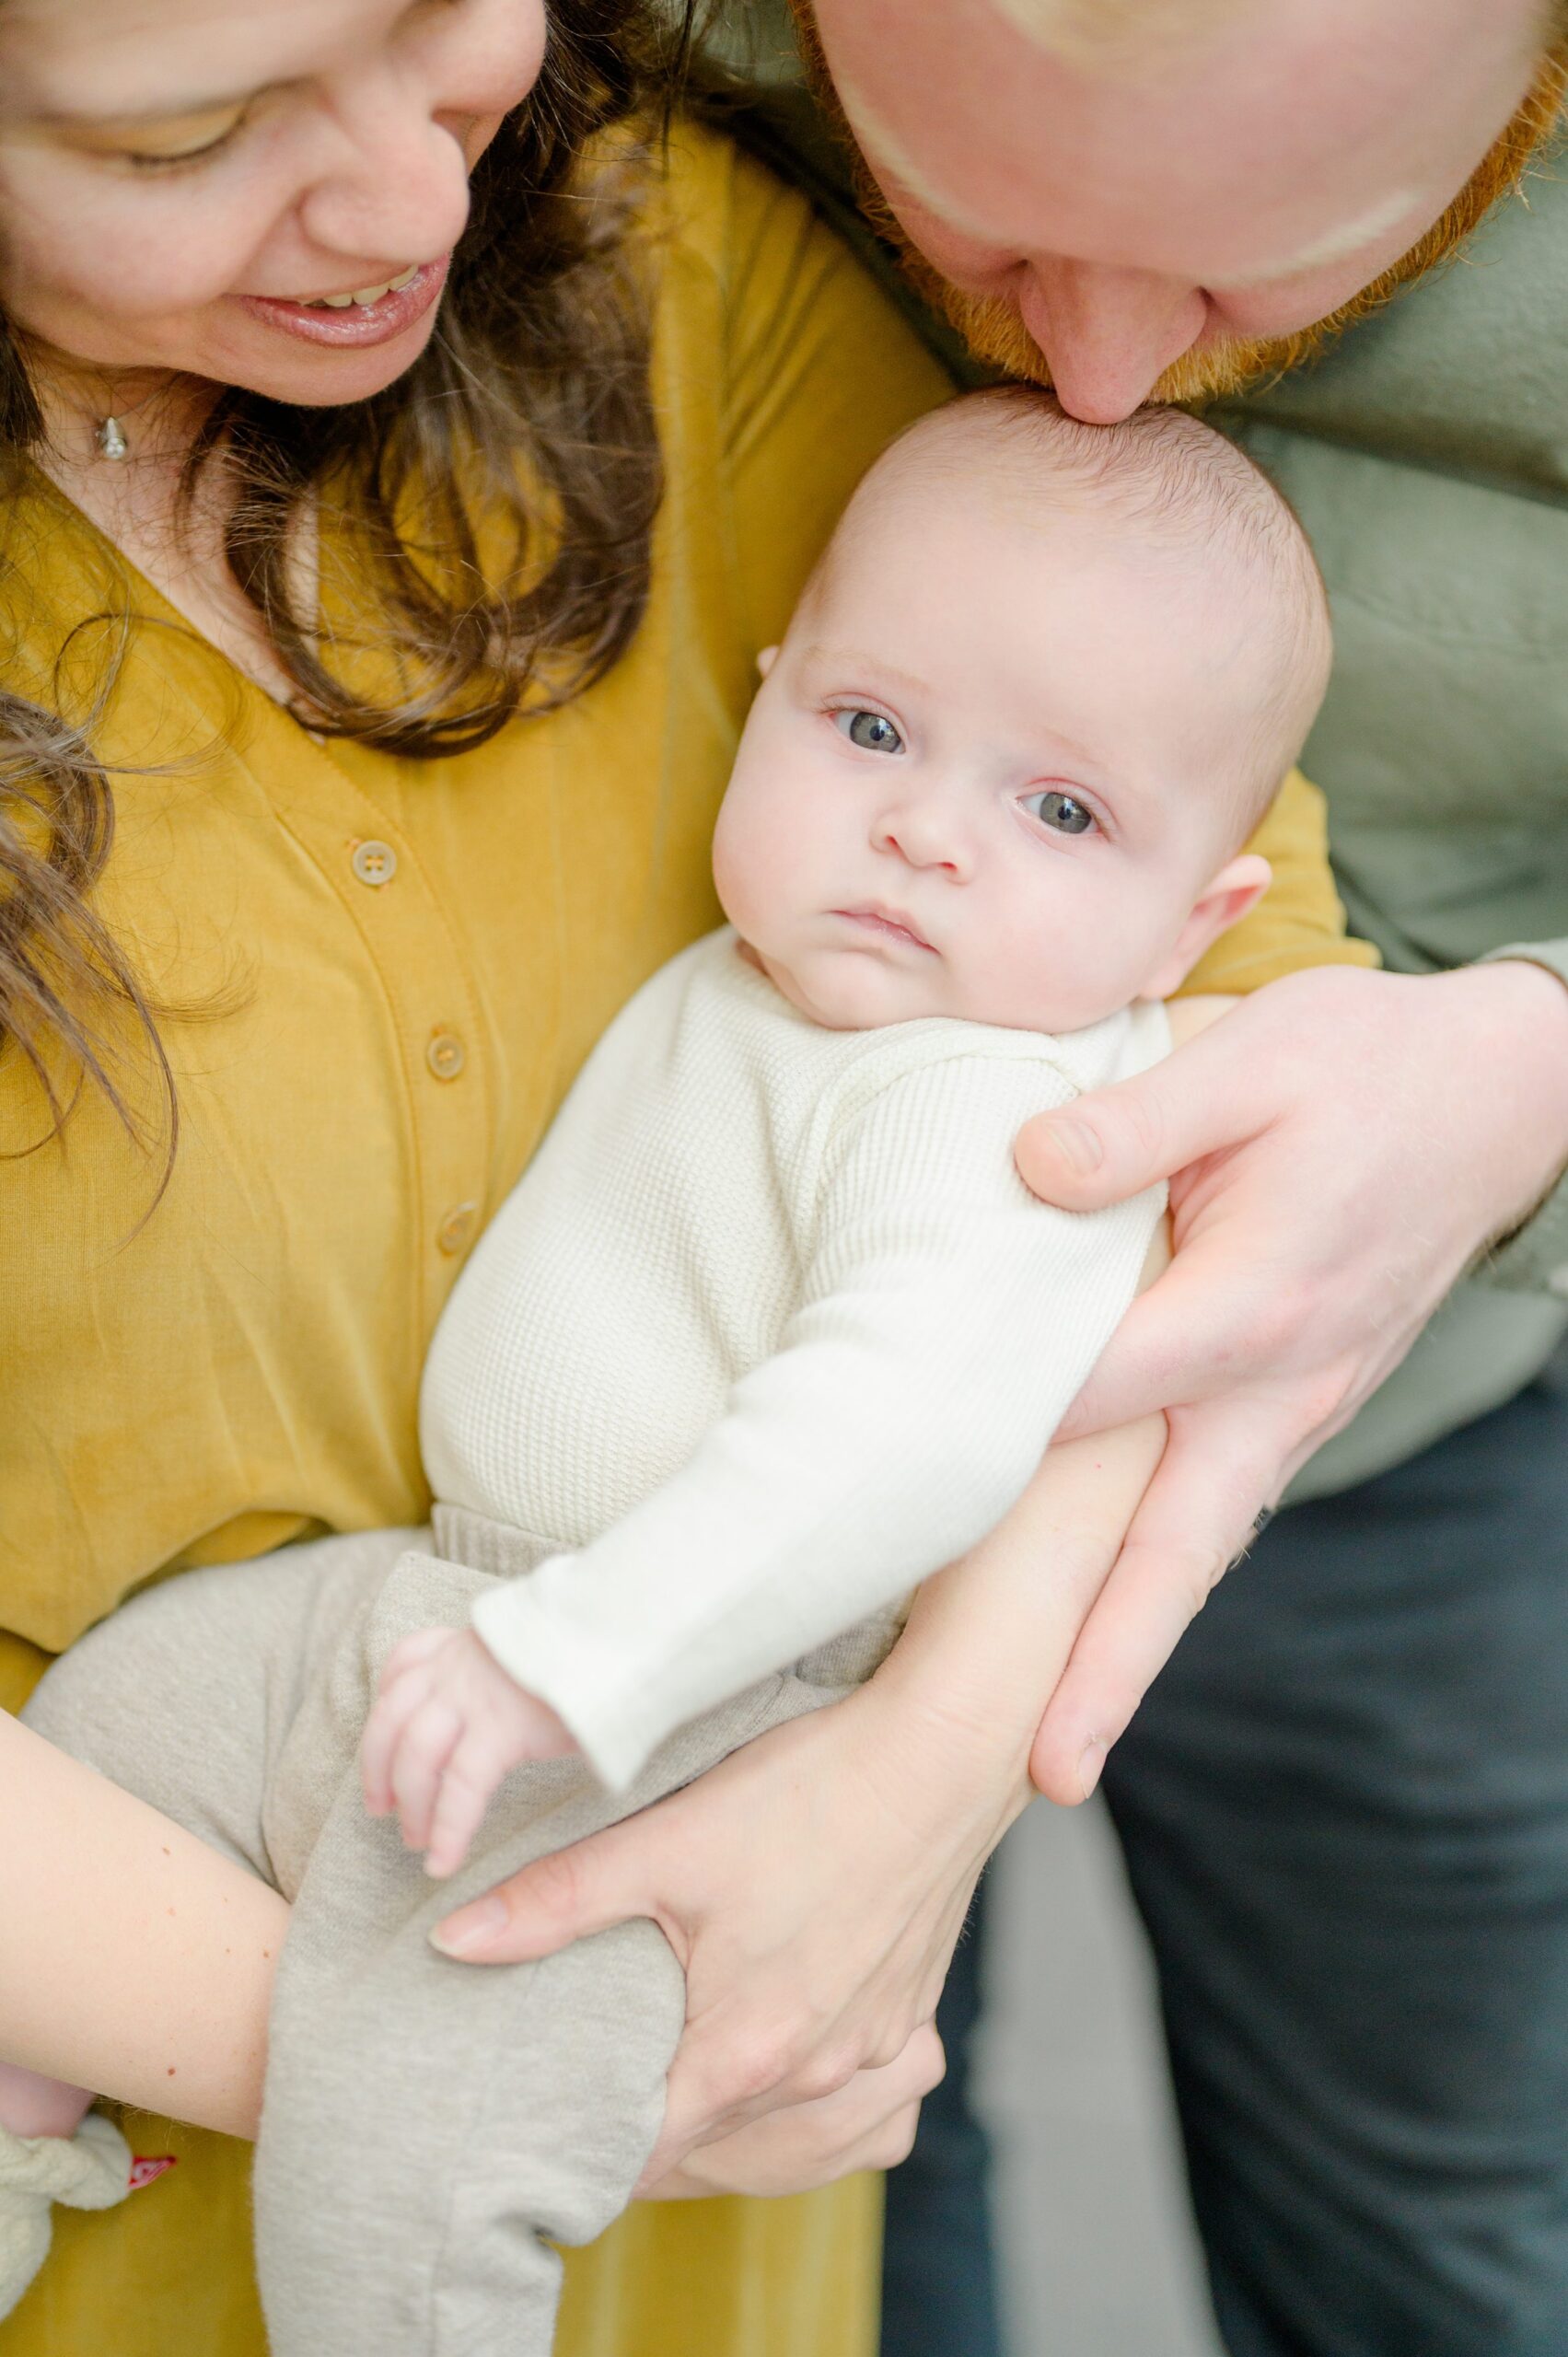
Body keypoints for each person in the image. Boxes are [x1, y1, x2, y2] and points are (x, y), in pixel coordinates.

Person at [0, 3, 1364, 2352]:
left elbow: (1242, 1056)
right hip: (405, 1879)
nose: (420, 199)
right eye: (195, 131)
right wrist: (493, 2040)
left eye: (442, 26)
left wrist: (906, 1786)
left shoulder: (661, 260)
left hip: (619, 1730)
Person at [670, 4, 1568, 2351]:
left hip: (1425, 1427)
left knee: (1442, 2241)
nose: (1091, 370)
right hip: (727, 1417)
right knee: (817, 2174)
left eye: (1271, 263)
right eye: (974, 209)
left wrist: (1536, 1062)